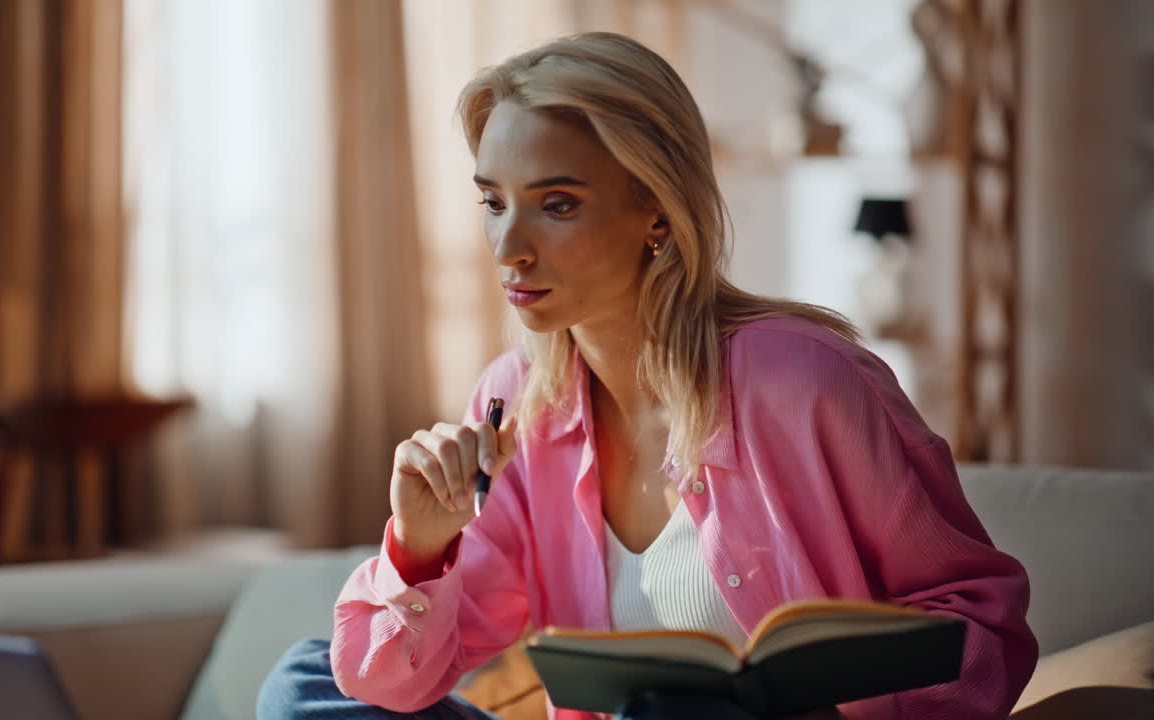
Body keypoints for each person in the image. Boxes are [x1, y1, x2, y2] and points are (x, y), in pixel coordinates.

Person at [257, 31, 1037, 720]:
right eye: (494, 203)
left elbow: (981, 621)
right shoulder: (515, 402)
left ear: (658, 213)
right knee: (302, 684)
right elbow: (394, 684)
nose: (507, 249)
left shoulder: (804, 380)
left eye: (556, 205)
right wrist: (419, 552)